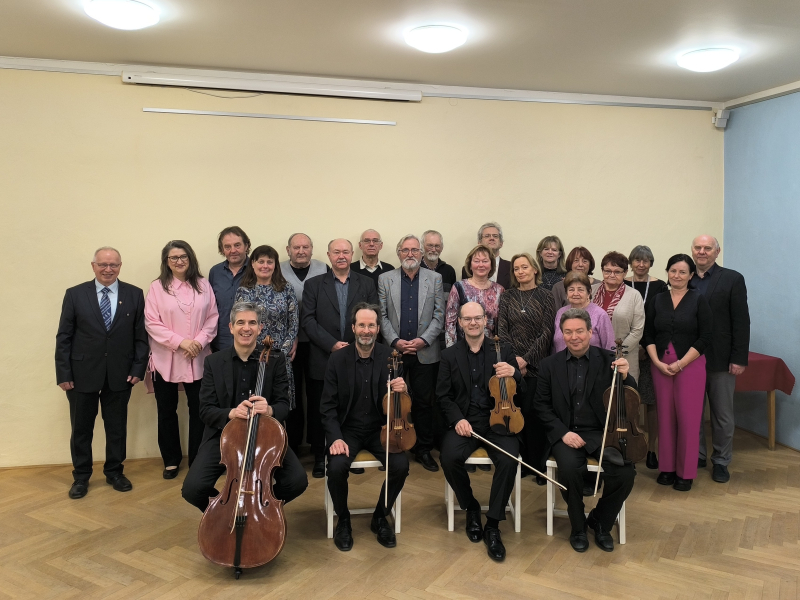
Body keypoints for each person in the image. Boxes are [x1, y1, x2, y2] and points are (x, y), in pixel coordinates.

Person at [181, 301, 308, 512]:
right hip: (223, 436)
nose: (246, 328)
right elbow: (205, 410)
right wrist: (231, 413)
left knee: (297, 481)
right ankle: (225, 511)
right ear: (231, 327)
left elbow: (284, 405)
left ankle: (261, 508)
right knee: (193, 489)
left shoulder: (276, 360)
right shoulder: (213, 362)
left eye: (252, 323)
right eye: (240, 322)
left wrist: (269, 410)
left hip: (266, 436)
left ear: (260, 328)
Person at [534, 308, 637, 553]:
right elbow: (541, 405)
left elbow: (629, 395)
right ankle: (578, 526)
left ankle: (601, 521)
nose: (574, 337)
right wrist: (562, 433)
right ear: (562, 334)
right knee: (569, 470)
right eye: (568, 332)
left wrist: (626, 377)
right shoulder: (548, 365)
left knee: (625, 473)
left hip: (602, 432)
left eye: (580, 331)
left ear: (591, 332)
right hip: (566, 432)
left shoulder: (609, 360)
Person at [55, 247, 149, 499]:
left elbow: (141, 337)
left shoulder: (134, 294)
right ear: (93, 266)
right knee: (81, 429)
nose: (108, 269)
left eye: (113, 265)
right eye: (103, 264)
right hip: (81, 374)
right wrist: (63, 373)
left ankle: (115, 472)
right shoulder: (75, 294)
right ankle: (81, 476)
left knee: (117, 428)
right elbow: (64, 337)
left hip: (121, 374)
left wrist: (138, 368)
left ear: (120, 266)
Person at [436, 302, 523, 561]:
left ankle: (493, 524)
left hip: (500, 419)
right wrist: (457, 420)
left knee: (508, 460)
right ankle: (471, 506)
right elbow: (443, 396)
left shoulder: (503, 350)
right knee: (449, 458)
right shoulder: (449, 355)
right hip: (466, 421)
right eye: (468, 319)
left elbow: (522, 389)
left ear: (486, 320)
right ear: (460, 323)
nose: (473, 323)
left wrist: (515, 373)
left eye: (478, 318)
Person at [320, 303, 409, 551]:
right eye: (362, 325)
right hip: (347, 431)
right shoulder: (337, 359)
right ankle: (343, 519)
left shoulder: (391, 357)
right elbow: (327, 407)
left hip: (381, 430)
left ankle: (380, 516)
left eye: (371, 325)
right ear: (353, 328)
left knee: (401, 465)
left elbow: (401, 404)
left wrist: (403, 390)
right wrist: (335, 438)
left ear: (378, 329)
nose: (366, 330)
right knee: (336, 467)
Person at [302, 239, 379, 478]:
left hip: (358, 357)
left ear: (352, 254)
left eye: (346, 252)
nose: (341, 256)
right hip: (322, 357)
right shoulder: (314, 284)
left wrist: (355, 345)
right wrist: (332, 344)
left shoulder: (366, 283)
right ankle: (320, 455)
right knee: (319, 408)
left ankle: (349, 451)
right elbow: (308, 320)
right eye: (337, 252)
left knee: (352, 406)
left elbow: (372, 317)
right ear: (329, 255)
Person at [145, 240, 219, 479]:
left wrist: (198, 341)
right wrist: (181, 342)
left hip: (199, 357)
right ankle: (171, 460)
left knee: (199, 410)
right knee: (166, 411)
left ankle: (198, 459)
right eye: (174, 258)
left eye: (183, 256)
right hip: (166, 358)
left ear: (190, 258)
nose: (179, 261)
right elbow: (151, 322)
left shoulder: (203, 284)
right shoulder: (157, 287)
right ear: (166, 262)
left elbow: (213, 317)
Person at [644, 254, 713, 492]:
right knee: (665, 417)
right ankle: (667, 468)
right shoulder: (657, 299)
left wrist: (681, 363)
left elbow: (706, 336)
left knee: (688, 419)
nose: (677, 275)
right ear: (667, 272)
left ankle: (685, 472)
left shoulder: (699, 300)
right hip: (661, 365)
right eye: (673, 271)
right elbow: (648, 334)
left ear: (691, 275)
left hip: (690, 365)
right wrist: (656, 362)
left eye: (683, 272)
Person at [378, 234, 445, 472]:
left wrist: (423, 340)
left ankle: (423, 449)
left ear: (421, 253)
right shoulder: (385, 279)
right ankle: (391, 446)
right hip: (394, 353)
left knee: (424, 403)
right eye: (405, 250)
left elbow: (439, 315)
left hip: (425, 352)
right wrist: (395, 341)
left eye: (415, 250)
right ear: (398, 253)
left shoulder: (435, 279)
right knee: (392, 401)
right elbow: (382, 315)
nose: (410, 254)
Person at [690, 235, 750, 484]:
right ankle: (697, 455)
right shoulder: (684, 276)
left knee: (722, 415)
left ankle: (721, 461)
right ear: (692, 251)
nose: (702, 251)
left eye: (707, 248)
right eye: (698, 247)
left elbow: (741, 320)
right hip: (689, 359)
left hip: (721, 359)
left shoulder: (732, 279)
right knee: (693, 412)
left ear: (717, 251)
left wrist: (739, 358)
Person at [497, 253, 556, 485]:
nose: (520, 271)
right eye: (516, 268)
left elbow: (547, 332)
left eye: (525, 267)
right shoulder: (507, 296)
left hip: (537, 366)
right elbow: (502, 330)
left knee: (535, 415)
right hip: (512, 367)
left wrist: (527, 360)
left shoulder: (546, 296)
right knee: (515, 414)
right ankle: (520, 462)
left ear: (534, 269)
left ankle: (538, 466)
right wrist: (514, 362)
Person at [236, 245, 299, 418]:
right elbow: (240, 323)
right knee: (253, 405)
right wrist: (250, 351)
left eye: (269, 262)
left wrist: (281, 353)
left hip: (280, 357)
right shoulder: (244, 290)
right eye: (261, 261)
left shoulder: (286, 289)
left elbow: (293, 323)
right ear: (253, 264)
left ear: (275, 265)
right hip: (251, 356)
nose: (265, 266)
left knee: (279, 405)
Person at [281, 233, 329, 454]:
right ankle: (293, 446)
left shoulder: (323, 268)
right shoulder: (278, 270)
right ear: (288, 250)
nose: (301, 251)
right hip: (288, 344)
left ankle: (317, 446)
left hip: (317, 342)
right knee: (291, 395)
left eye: (305, 247)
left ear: (311, 249)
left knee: (316, 394)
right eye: (296, 247)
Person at [625, 245, 668, 469]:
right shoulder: (622, 283)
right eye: (637, 260)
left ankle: (652, 448)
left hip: (651, 350)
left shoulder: (660, 286)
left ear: (651, 263)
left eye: (646, 261)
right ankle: (631, 445)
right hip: (626, 350)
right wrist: (633, 346)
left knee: (651, 401)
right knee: (629, 400)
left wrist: (646, 347)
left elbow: (661, 319)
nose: (641, 264)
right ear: (631, 262)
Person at [592, 252, 645, 381]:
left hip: (624, 358)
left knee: (622, 391)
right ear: (602, 270)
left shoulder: (634, 295)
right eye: (607, 271)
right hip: (594, 355)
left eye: (617, 272)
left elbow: (637, 330)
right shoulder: (591, 291)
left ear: (625, 273)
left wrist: (616, 352)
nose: (612, 275)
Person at [446, 245, 504, 347]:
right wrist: (452, 351)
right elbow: (450, 323)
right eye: (476, 261)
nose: (481, 265)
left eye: (485, 261)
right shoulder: (459, 287)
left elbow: (502, 325)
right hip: (463, 348)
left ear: (491, 265)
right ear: (470, 265)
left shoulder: (499, 290)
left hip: (491, 348)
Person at [208, 226, 250, 352]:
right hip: (221, 341)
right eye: (227, 247)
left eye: (237, 245)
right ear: (222, 249)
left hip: (251, 341)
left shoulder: (257, 270)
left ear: (246, 246)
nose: (233, 250)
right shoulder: (215, 272)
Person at [552, 272, 614, 353]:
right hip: (561, 360)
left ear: (589, 293)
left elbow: (610, 347)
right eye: (571, 290)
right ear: (566, 293)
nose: (575, 293)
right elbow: (554, 346)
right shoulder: (560, 313)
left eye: (580, 290)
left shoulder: (600, 315)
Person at [460, 223, 511, 289]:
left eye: (495, 236)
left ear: (501, 243)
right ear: (479, 243)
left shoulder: (511, 267)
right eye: (487, 236)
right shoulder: (468, 269)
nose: (492, 238)